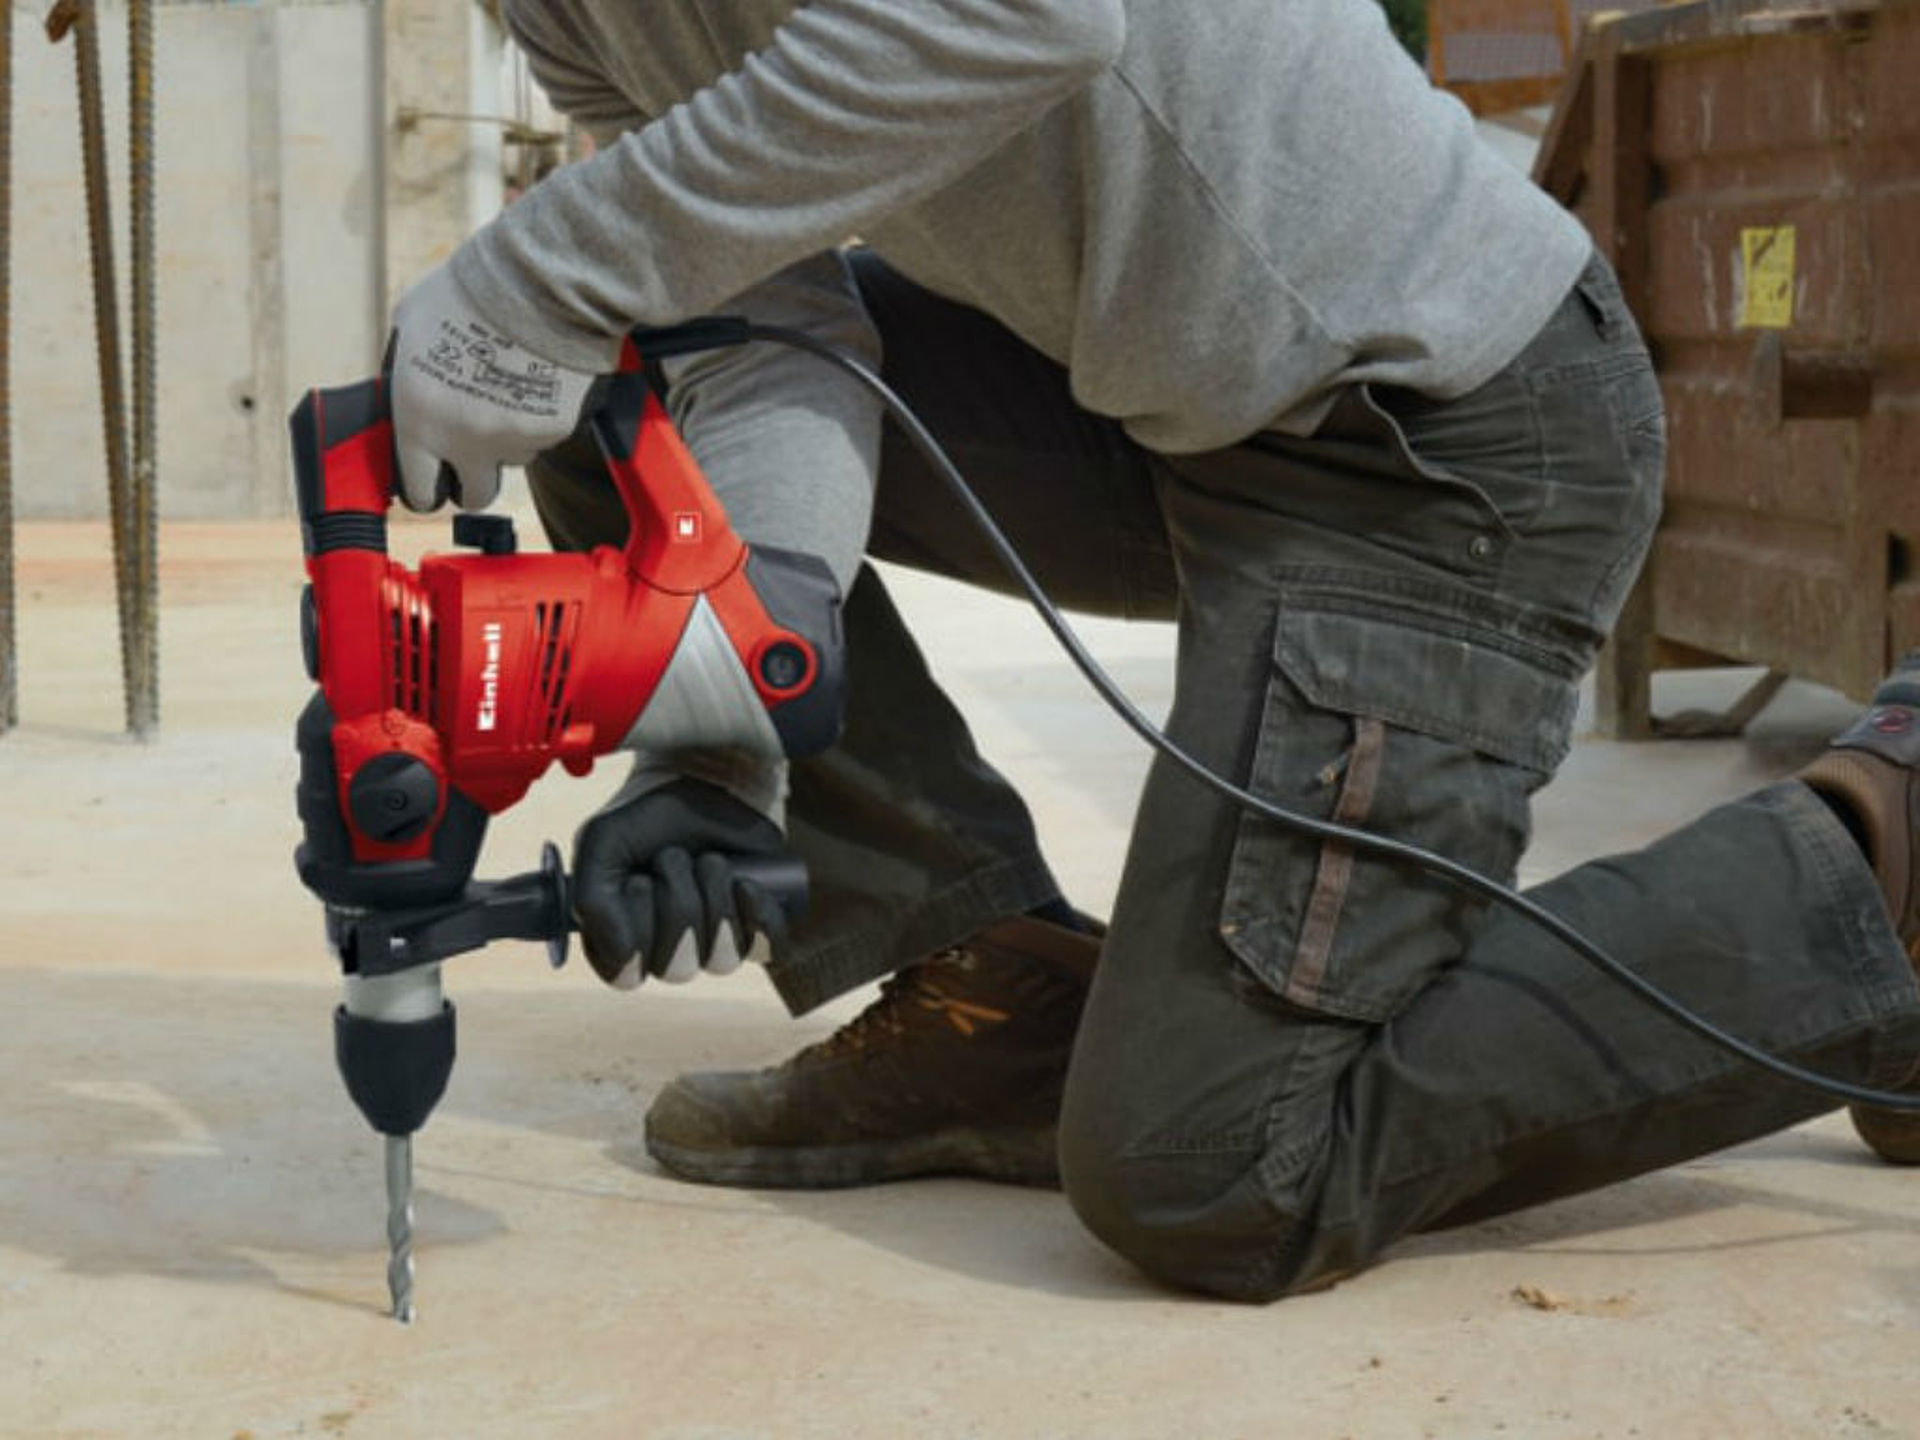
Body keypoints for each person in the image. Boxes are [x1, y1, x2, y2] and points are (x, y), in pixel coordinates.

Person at [384, 0, 1920, 1302]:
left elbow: (1028, 15)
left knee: (1216, 1170)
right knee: (613, 386)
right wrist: (723, 734)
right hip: (1153, 414)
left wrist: (538, 268)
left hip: (1432, 437)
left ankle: (1883, 850)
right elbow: (749, 337)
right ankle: (996, 996)